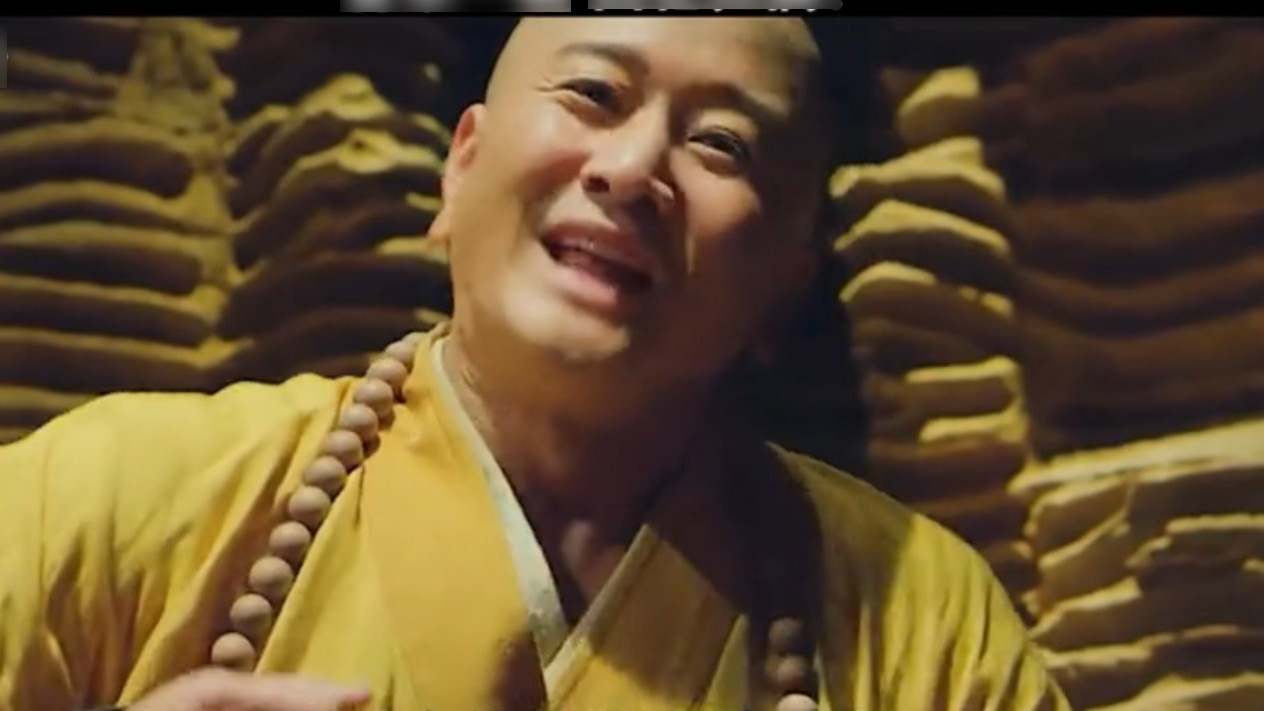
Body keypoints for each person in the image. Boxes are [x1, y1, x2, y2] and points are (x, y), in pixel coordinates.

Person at [0, 17, 1070, 711]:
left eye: (721, 144)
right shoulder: (116, 497)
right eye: (593, 94)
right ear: (459, 169)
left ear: (784, 284)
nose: (632, 168)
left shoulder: (924, 622)